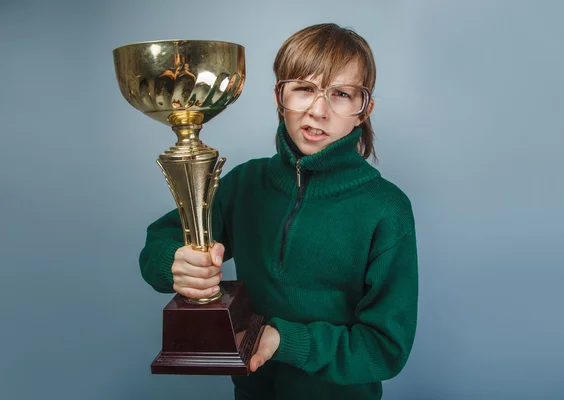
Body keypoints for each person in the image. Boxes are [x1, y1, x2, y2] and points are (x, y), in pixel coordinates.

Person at [139, 23, 418, 400]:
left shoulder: (387, 209)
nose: (318, 110)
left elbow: (386, 347)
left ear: (363, 109)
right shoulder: (244, 183)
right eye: (304, 88)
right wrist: (175, 264)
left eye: (340, 94)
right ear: (278, 96)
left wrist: (284, 340)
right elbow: (159, 242)